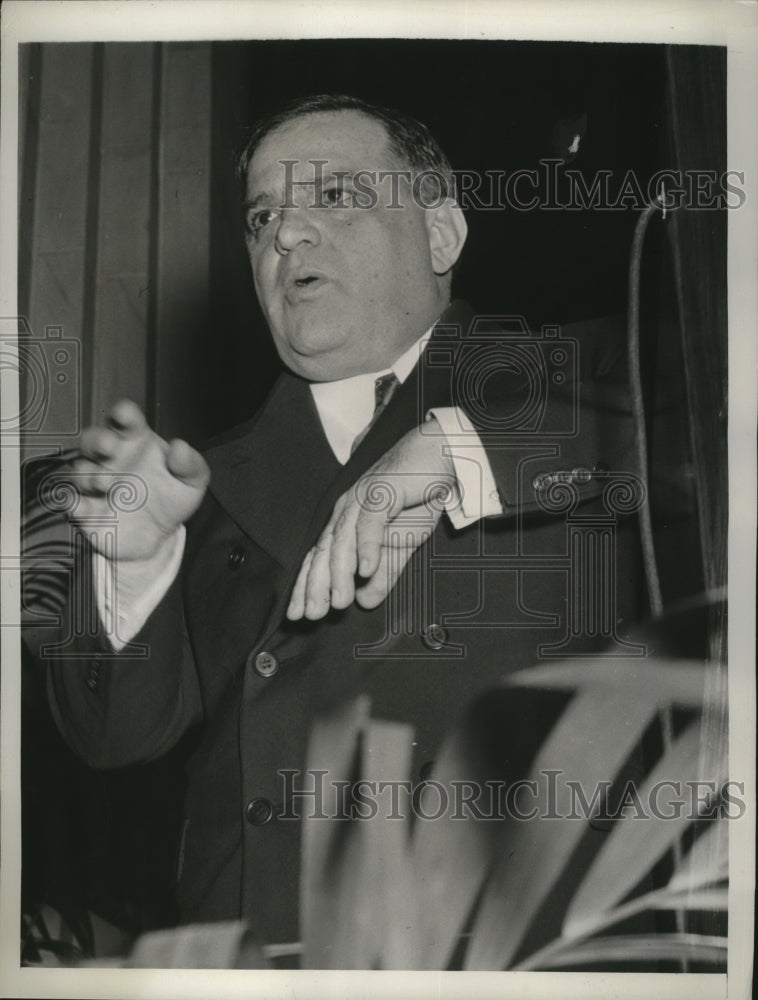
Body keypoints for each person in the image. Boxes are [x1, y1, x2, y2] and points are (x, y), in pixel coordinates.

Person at [30, 94, 641, 955]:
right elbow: (110, 739)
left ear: (441, 236)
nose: (285, 234)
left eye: (337, 196)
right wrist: (131, 567)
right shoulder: (199, 479)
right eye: (264, 215)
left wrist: (455, 446)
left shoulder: (585, 380)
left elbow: (702, 420)